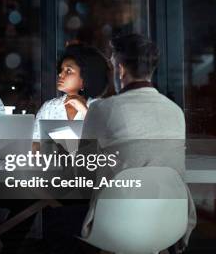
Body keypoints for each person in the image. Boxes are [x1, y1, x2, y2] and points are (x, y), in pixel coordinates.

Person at [80, 34, 196, 252]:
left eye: (112, 65)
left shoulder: (102, 109)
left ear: (120, 69)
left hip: (115, 226)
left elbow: (83, 172)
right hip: (169, 224)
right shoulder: (176, 112)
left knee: (54, 219)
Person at [34, 44, 113, 122]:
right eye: (61, 70)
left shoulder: (101, 107)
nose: (60, 74)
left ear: (86, 76)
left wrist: (84, 110)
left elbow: (105, 133)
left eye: (68, 71)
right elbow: (35, 134)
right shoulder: (49, 107)